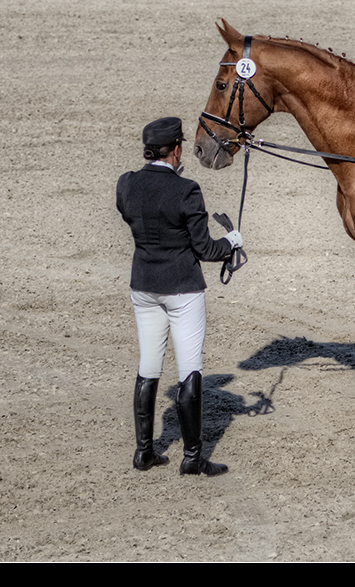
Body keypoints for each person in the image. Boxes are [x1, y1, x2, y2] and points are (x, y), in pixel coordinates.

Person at [116, 117, 243, 477]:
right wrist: (231, 243)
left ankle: (144, 452)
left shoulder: (126, 184)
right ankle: (192, 457)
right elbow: (205, 248)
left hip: (143, 285)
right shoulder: (187, 190)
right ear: (176, 149)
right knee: (189, 368)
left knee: (149, 365)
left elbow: (131, 216)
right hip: (182, 289)